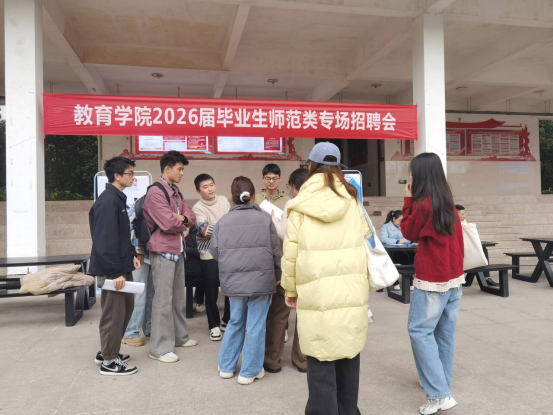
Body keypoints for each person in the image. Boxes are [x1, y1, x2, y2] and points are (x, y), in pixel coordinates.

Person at [281, 142, 371, 415]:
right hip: (351, 291)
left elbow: (290, 254)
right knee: (348, 355)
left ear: (311, 165)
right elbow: (367, 240)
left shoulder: (300, 204)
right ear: (338, 167)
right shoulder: (352, 200)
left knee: (320, 359)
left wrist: (290, 289)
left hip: (316, 293)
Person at [401, 153, 464, 415]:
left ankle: (439, 394)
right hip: (453, 278)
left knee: (419, 331)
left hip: (432, 279)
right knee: (444, 334)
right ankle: (441, 385)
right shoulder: (447, 202)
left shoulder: (423, 204)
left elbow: (408, 232)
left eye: (413, 174)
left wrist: (407, 199)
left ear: (421, 176)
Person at [210, 177, 281, 385]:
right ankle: (249, 371)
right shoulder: (265, 219)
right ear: (253, 196)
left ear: (232, 196)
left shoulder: (223, 221)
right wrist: (277, 275)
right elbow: (276, 251)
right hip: (262, 280)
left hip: (234, 281)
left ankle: (226, 366)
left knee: (235, 321)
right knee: (257, 325)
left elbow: (214, 250)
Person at [144, 150, 197, 363]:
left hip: (177, 248)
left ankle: (179, 337)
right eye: (179, 169)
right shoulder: (156, 192)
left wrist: (181, 217)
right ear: (167, 169)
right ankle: (159, 348)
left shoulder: (175, 191)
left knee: (177, 298)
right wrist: (181, 220)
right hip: (162, 249)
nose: (182, 173)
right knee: (163, 300)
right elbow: (167, 223)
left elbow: (191, 216)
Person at [89, 157, 141, 376]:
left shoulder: (117, 198)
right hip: (114, 269)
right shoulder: (108, 201)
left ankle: (109, 350)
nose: (133, 177)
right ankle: (109, 361)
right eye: (130, 173)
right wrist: (116, 272)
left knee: (124, 310)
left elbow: (120, 235)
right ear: (117, 176)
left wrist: (132, 255)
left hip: (121, 265)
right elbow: (104, 241)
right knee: (114, 314)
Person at [264, 168, 308, 374]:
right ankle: (302, 360)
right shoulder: (317, 203)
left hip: (290, 267)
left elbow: (284, 234)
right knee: (305, 315)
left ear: (292, 185)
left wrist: (274, 218)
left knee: (279, 314)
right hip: (309, 268)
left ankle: (273, 360)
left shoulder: (292, 204)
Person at [192, 173, 231, 342]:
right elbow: (205, 230)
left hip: (227, 252)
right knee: (211, 291)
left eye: (211, 185)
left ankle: (227, 320)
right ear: (198, 191)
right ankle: (213, 325)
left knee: (229, 288)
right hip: (207, 253)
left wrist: (217, 227)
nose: (210, 189)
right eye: (205, 187)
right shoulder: (197, 208)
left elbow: (229, 223)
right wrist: (225, 226)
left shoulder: (223, 200)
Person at [121, 201, 154, 347]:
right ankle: (130, 333)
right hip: (140, 255)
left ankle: (149, 328)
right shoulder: (140, 203)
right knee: (138, 295)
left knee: (152, 295)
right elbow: (129, 225)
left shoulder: (163, 199)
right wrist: (137, 250)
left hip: (155, 253)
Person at [456, 204, 499, 287]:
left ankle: (486, 278)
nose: (465, 216)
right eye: (463, 214)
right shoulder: (449, 224)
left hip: (465, 248)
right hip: (455, 251)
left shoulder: (464, 223)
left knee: (483, 250)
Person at [380, 209, 415, 292]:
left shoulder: (405, 226)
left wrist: (404, 241)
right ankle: (395, 282)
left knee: (409, 259)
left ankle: (409, 282)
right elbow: (384, 239)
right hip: (391, 252)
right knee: (391, 260)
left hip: (403, 251)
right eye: (400, 220)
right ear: (394, 219)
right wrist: (398, 241)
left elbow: (409, 238)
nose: (401, 222)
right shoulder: (386, 227)